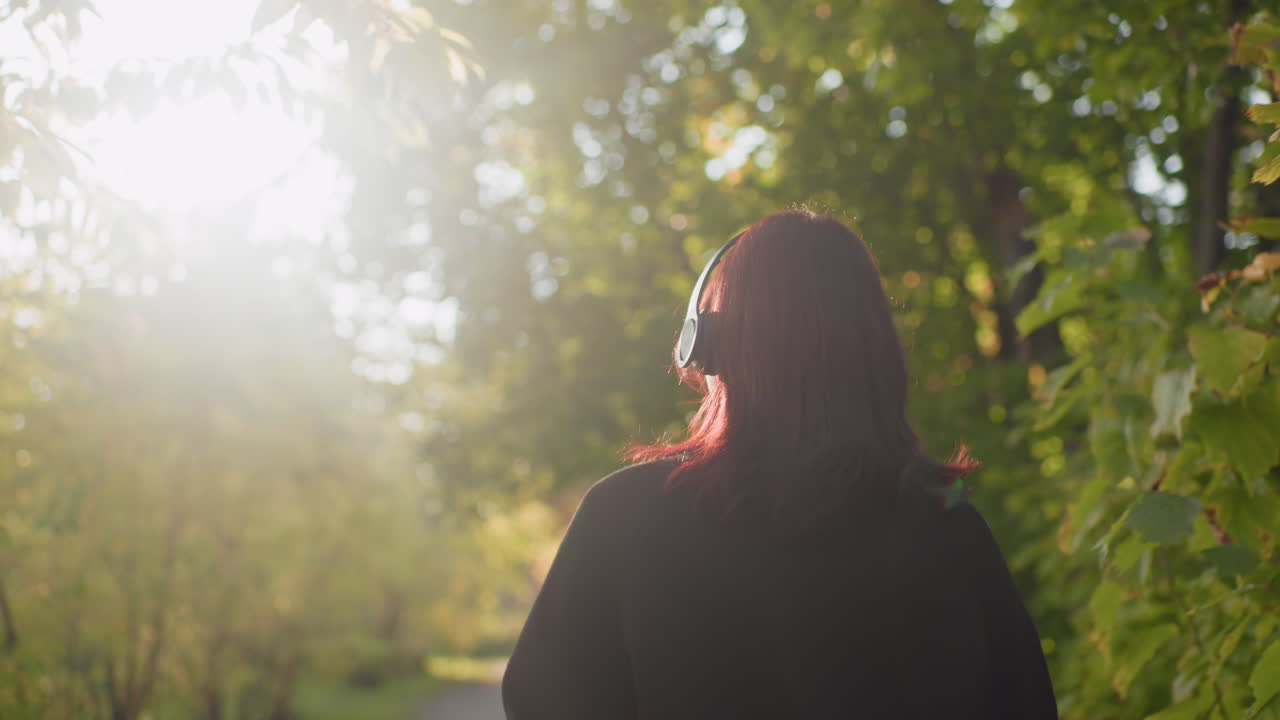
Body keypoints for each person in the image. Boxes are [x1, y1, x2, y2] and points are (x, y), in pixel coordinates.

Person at [502, 210, 1058, 719]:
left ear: (709, 344)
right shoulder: (948, 526)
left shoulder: (624, 518)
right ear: (875, 349)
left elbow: (540, 702)